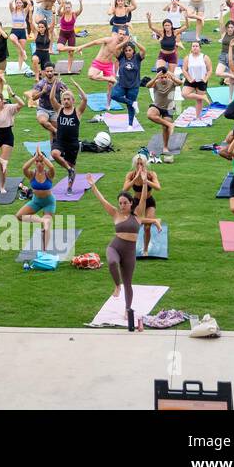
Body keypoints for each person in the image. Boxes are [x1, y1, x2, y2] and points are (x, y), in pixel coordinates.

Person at [86, 179, 162, 330]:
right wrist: (93, 186)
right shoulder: (115, 214)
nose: (121, 205)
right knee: (112, 262)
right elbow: (102, 200)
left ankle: (128, 309)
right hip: (115, 247)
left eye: (124, 203)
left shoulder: (138, 214)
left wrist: (145, 183)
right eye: (120, 203)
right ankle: (116, 286)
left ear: (130, 203)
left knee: (128, 284)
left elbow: (143, 197)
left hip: (129, 252)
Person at [50, 79, 88, 189]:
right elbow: (52, 98)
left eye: (68, 99)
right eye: (64, 99)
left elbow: (85, 99)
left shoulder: (78, 111)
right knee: (54, 154)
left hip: (72, 143)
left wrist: (77, 86)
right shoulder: (59, 110)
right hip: (60, 141)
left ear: (73, 101)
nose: (66, 101)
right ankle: (69, 168)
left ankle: (69, 187)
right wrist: (55, 84)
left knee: (72, 165)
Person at [16, 150, 57, 238]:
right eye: (37, 161)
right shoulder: (31, 174)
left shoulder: (49, 174)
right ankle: (42, 220)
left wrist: (43, 157)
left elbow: (52, 167)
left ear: (44, 162)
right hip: (36, 201)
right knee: (19, 216)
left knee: (46, 229)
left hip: (48, 202)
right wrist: (34, 157)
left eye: (41, 161)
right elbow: (24, 168)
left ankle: (44, 251)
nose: (39, 164)